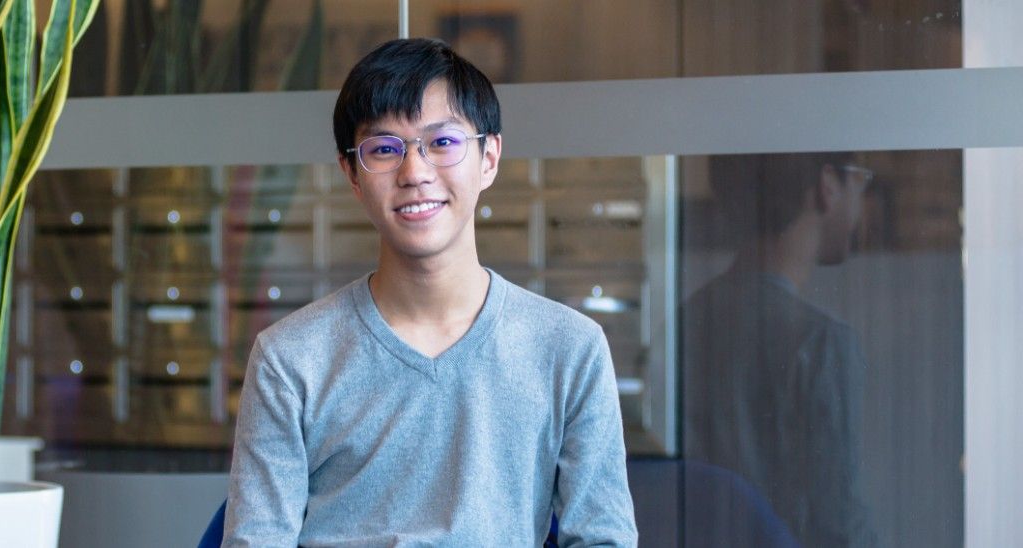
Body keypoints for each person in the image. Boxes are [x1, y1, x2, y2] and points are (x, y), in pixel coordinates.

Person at [223, 38, 638, 546]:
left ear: (489, 157)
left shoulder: (569, 348)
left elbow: (603, 538)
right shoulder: (290, 358)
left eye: (442, 143)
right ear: (351, 174)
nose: (415, 173)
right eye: (383, 149)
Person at [683, 153, 877, 546]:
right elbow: (839, 526)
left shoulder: (683, 322)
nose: (862, 200)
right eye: (860, 179)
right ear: (827, 186)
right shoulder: (821, 345)